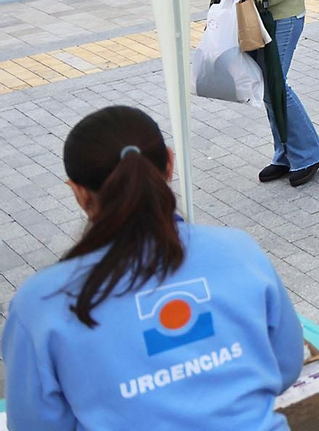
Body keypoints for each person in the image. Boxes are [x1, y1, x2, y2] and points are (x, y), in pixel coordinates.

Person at [1, 105, 303, 430]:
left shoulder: (41, 303)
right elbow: (285, 365)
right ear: (170, 163)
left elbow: (35, 424)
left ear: (78, 192)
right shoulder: (239, 251)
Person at [210, 0, 319, 187]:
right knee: (269, 87)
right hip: (249, 12)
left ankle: (309, 154)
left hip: (280, 15)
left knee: (274, 85)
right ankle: (287, 153)